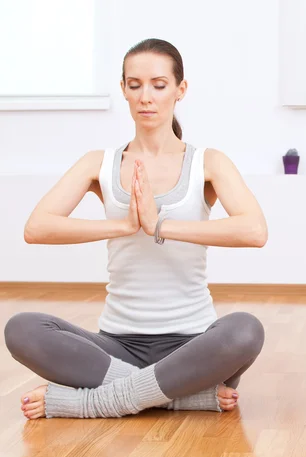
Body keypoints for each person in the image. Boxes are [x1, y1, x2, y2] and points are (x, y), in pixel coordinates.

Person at [5, 38, 267, 420]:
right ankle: (178, 398)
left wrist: (159, 225)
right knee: (21, 328)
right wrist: (123, 225)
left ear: (180, 90)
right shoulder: (100, 163)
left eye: (159, 85)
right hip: (114, 347)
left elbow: (254, 230)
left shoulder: (207, 162)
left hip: (193, 348)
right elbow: (37, 227)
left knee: (245, 330)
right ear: (124, 89)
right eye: (135, 85)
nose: (146, 96)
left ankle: (93, 403)